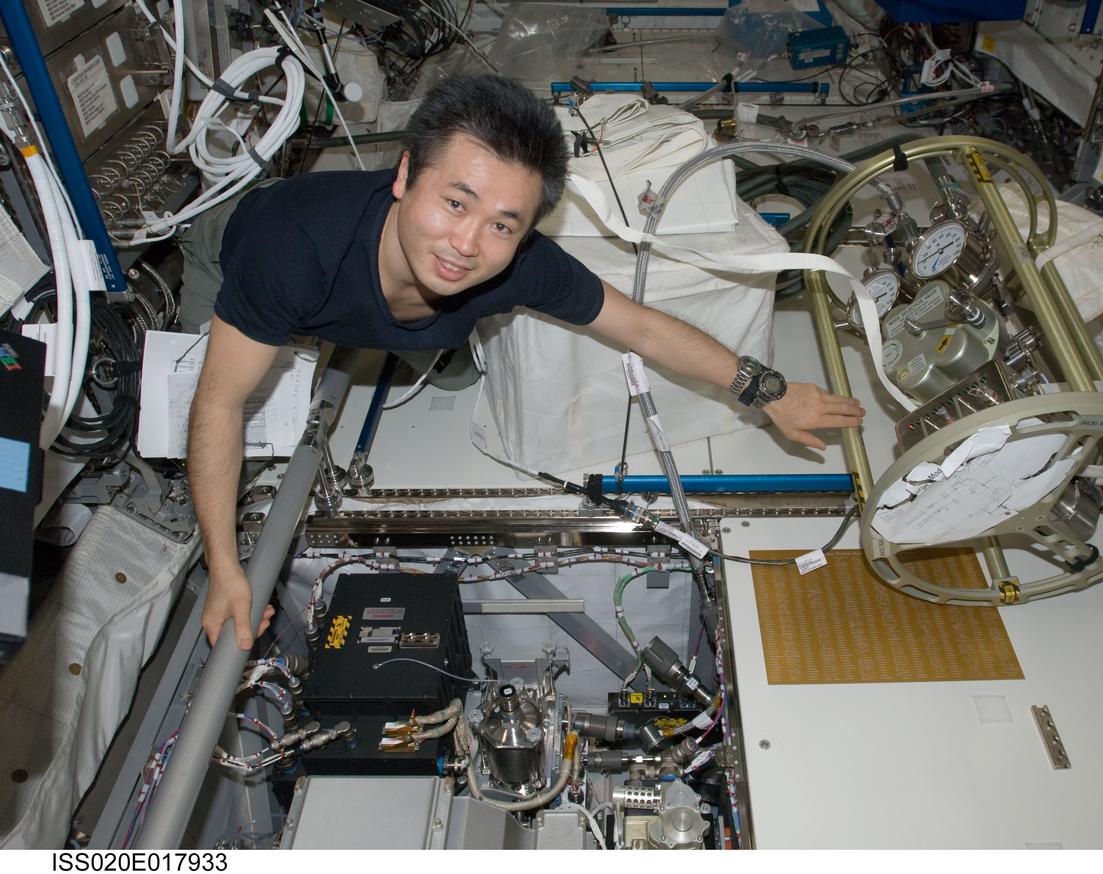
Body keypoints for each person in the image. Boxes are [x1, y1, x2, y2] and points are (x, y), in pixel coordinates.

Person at [184, 73, 866, 650]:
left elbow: (642, 328)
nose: (466, 243)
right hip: (231, 264)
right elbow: (219, 403)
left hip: (392, 319)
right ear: (405, 175)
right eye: (456, 202)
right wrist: (223, 567)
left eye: (502, 224)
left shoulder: (516, 266)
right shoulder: (290, 250)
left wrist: (768, 391)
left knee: (450, 356)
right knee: (202, 415)